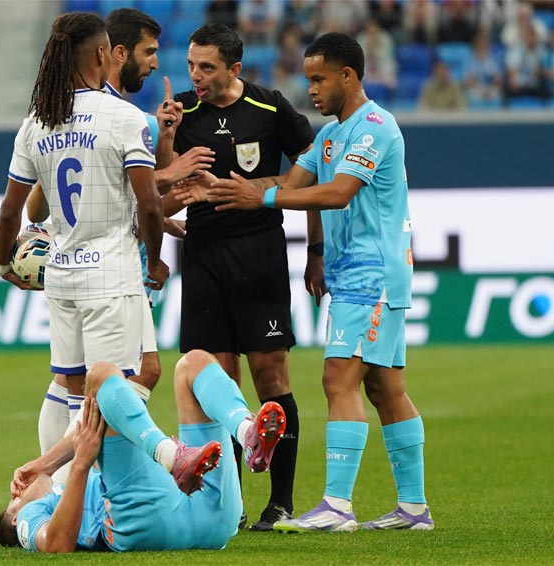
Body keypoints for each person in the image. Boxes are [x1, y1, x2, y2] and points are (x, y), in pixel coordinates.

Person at [179, 31, 433, 532]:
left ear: (348, 76)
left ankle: (337, 506)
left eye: (319, 79)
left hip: (372, 273)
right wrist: (221, 188)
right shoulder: (331, 136)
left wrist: (263, 199)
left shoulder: (374, 127)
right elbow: (286, 182)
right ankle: (413, 508)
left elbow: (337, 193)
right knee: (385, 388)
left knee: (338, 379)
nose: (311, 89)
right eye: (308, 79)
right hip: (355, 274)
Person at [22, 8, 215, 462]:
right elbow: (122, 195)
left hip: (96, 263)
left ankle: (69, 473)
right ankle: (71, 475)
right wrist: (173, 176)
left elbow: (130, 199)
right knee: (100, 380)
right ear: (116, 53)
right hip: (109, 268)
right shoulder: (117, 116)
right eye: (149, 52)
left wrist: (165, 147)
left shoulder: (82, 112)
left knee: (123, 373)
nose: (155, 63)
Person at [156, 23, 316, 531]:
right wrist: (166, 139)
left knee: (271, 375)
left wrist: (260, 195)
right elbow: (158, 193)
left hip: (259, 252)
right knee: (217, 382)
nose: (196, 77)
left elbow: (312, 169)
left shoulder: (270, 107)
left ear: (235, 68)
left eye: (207, 67)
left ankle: (281, 503)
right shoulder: (180, 112)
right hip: (203, 254)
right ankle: (233, 505)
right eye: (191, 66)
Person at [0, 12, 169, 459]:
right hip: (110, 274)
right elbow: (149, 204)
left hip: (62, 276)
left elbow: (12, 211)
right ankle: (91, 488)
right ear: (102, 54)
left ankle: (61, 487)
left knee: (77, 392)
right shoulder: (124, 116)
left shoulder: (36, 123)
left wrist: (3, 262)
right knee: (107, 396)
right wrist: (153, 260)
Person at [0, 349, 287, 552]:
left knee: (194, 362)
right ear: (15, 517)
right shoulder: (30, 515)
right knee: (100, 375)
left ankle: (245, 431)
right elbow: (55, 545)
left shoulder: (66, 490)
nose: (17, 491)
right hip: (146, 522)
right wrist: (81, 465)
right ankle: (171, 456)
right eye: (14, 499)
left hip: (216, 522)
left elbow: (87, 430)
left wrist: (45, 465)